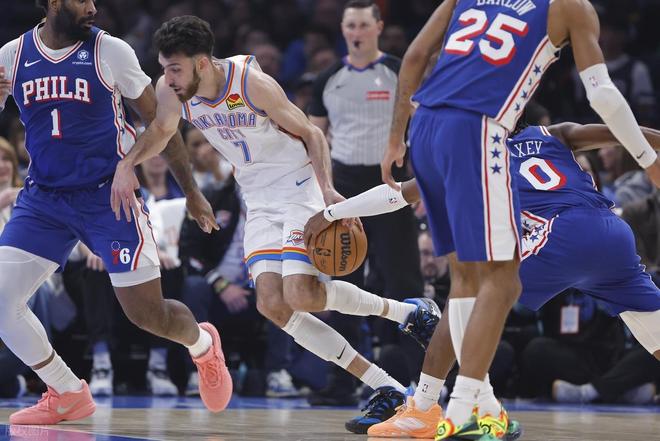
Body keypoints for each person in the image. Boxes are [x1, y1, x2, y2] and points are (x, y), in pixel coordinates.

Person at [110, 15, 440, 434]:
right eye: (164, 68)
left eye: (175, 68)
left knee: (300, 294)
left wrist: (327, 190)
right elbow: (161, 131)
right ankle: (387, 386)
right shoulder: (171, 89)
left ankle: (408, 312)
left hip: (299, 186)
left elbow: (313, 135)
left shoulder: (250, 83)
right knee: (272, 305)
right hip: (258, 197)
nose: (168, 78)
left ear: (203, 63)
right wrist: (129, 164)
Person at [377, 0, 660, 438]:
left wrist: (393, 142)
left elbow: (413, 57)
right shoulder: (555, 129)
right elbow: (612, 111)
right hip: (606, 230)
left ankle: (436, 406)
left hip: (432, 129)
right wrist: (651, 163)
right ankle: (471, 406)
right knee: (492, 284)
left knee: (472, 287)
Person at [305, 121, 660, 439]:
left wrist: (334, 212)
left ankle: (424, 407)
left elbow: (398, 194)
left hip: (562, 233)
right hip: (612, 231)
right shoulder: (554, 134)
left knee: (467, 296)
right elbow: (622, 130)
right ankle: (461, 401)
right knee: (652, 326)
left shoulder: (478, 158)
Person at [0, 0, 231, 425]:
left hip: (108, 195)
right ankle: (66, 391)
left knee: (148, 315)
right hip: (45, 198)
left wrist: (191, 191)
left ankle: (202, 345)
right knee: (1, 300)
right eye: (81, 0)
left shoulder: (110, 51)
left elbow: (162, 123)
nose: (92, 7)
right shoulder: (12, 56)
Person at [308, 0, 424, 407]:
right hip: (345, 188)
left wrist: (422, 184)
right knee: (340, 287)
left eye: (362, 25)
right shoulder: (328, 78)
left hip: (391, 183)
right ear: (343, 30)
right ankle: (344, 383)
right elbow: (315, 140)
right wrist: (321, 191)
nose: (356, 32)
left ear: (378, 27)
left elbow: (422, 125)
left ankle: (424, 380)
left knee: (405, 284)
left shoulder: (397, 70)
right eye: (350, 26)